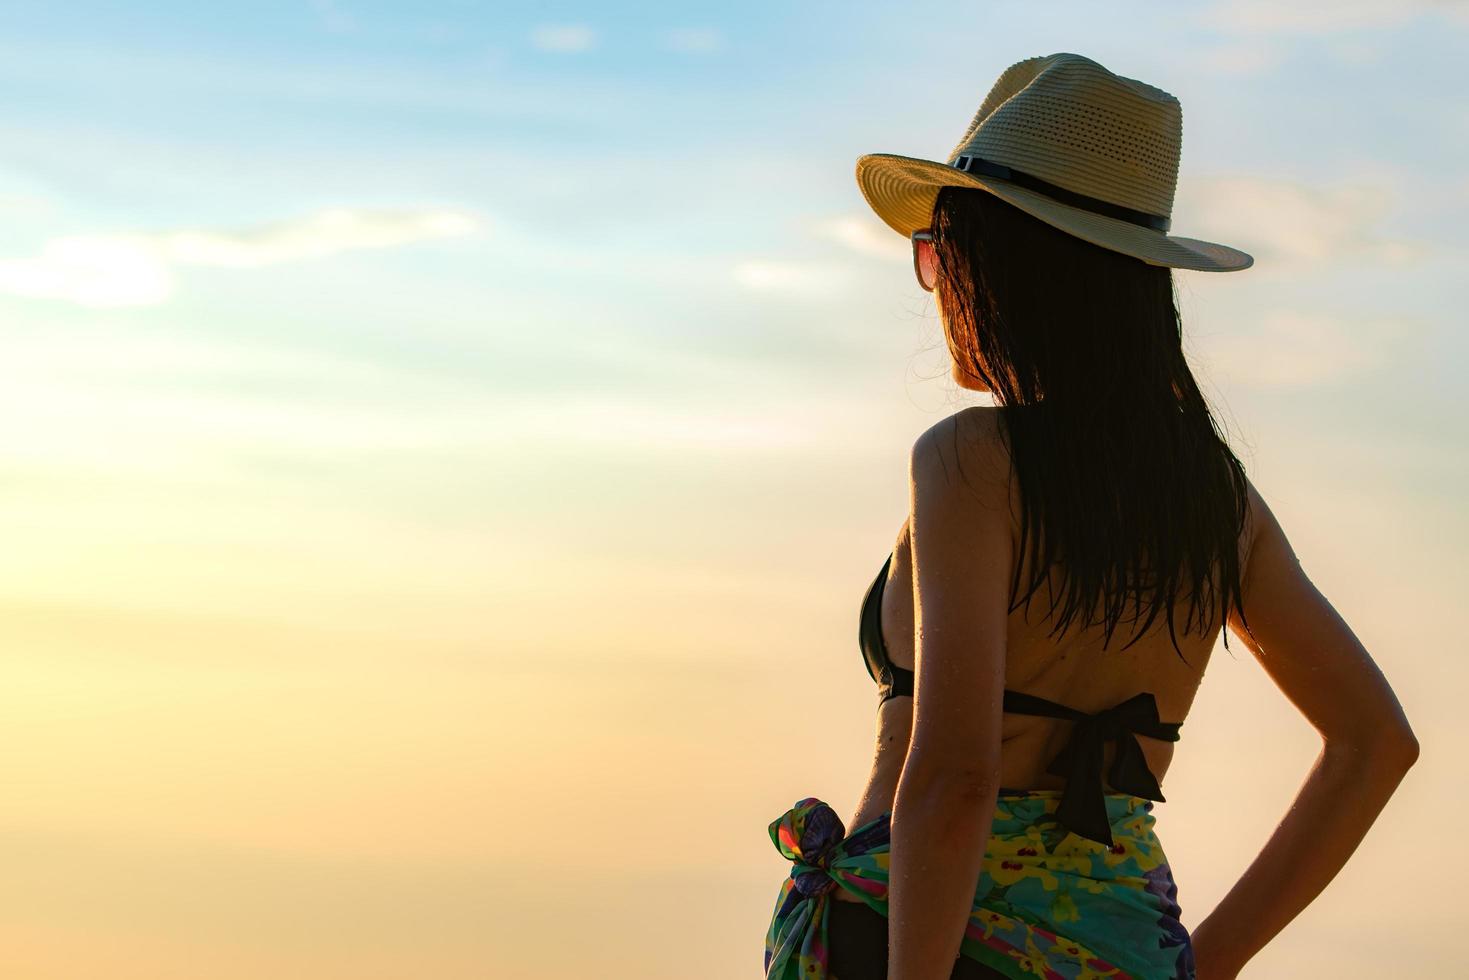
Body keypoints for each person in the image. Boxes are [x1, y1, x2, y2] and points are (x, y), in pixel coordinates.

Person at [762, 53, 1419, 980]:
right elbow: (1375, 744)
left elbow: (955, 781)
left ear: (999, 264)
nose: (935, 279)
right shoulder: (1217, 500)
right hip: (1121, 949)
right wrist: (1204, 965)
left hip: (926, 941)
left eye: (939, 249)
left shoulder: (970, 460)